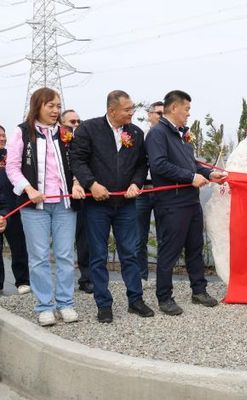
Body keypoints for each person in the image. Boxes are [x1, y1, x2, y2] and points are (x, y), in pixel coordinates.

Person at [70, 90, 154, 323]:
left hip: (126, 204)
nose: (131, 113)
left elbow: (141, 164)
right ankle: (103, 304)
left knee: (130, 252)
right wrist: (91, 184)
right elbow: (77, 160)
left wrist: (137, 183)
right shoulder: (89, 129)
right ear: (111, 110)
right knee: (98, 255)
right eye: (127, 110)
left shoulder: (135, 132)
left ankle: (135, 300)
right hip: (97, 204)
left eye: (132, 109)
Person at [6, 87, 86, 326]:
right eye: (50, 106)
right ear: (37, 106)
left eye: (58, 106)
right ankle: (44, 306)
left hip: (63, 204)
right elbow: (11, 167)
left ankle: (65, 303)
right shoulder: (22, 132)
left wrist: (77, 183)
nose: (55, 110)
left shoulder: (66, 133)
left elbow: (78, 163)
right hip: (34, 206)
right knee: (39, 257)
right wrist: (28, 189)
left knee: (64, 255)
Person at [145, 90, 226, 315]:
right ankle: (164, 297)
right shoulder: (158, 134)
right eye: (187, 109)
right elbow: (159, 165)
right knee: (170, 251)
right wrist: (191, 178)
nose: (189, 114)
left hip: (190, 201)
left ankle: (199, 290)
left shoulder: (181, 134)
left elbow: (191, 164)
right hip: (172, 203)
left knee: (195, 248)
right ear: (174, 108)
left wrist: (209, 174)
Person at [61, 109, 93, 294]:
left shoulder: (85, 143)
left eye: (78, 122)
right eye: (71, 122)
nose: (76, 125)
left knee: (85, 240)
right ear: (62, 124)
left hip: (82, 197)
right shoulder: (56, 142)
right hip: (58, 197)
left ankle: (87, 277)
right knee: (62, 244)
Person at [0, 124, 30, 295]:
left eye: (4, 135)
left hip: (13, 207)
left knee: (18, 245)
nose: (3, 138)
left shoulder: (11, 156)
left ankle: (22, 281)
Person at [136, 101, 164, 283]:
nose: (161, 116)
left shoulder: (173, 137)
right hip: (142, 191)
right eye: (158, 113)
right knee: (139, 237)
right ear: (150, 115)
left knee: (164, 237)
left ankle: (163, 277)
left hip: (163, 190)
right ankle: (140, 276)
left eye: (164, 113)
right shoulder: (139, 136)